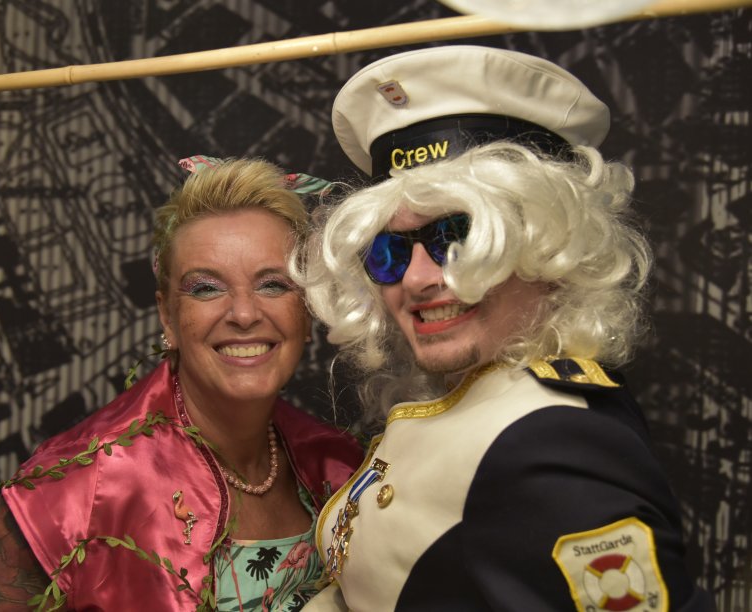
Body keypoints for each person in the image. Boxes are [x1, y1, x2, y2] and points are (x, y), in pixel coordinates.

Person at [297, 46, 713, 611]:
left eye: (461, 238)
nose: (416, 279)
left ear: (551, 248)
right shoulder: (482, 400)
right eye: (389, 251)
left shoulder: (552, 441)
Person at [0, 157, 363, 611]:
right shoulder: (90, 482)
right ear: (168, 316)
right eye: (206, 288)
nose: (243, 313)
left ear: (307, 309)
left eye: (273, 285)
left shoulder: (340, 465)